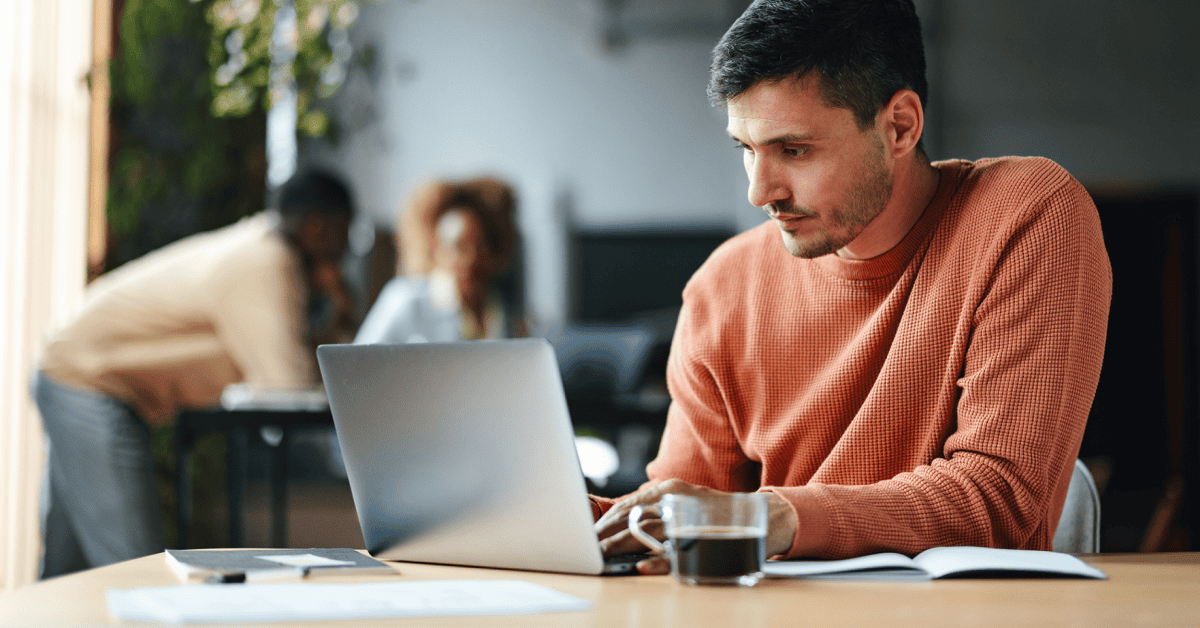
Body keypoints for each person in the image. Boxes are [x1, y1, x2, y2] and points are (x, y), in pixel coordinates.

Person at [594, 0, 1111, 573]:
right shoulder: (724, 284)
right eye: (747, 150)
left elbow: (997, 499)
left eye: (793, 150)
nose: (759, 192)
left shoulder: (1027, 215)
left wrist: (775, 518)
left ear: (900, 127)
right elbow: (673, 520)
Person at [31, 170, 355, 578]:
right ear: (319, 225)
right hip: (87, 382)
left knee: (66, 575)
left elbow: (280, 361)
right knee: (135, 571)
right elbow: (288, 385)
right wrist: (335, 309)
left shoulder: (259, 249)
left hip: (73, 373)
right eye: (345, 230)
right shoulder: (267, 262)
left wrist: (331, 313)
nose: (346, 248)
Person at [354, 177, 523, 344]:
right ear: (436, 249)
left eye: (480, 247)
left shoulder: (499, 303)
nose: (470, 259)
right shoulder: (405, 299)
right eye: (458, 247)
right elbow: (357, 363)